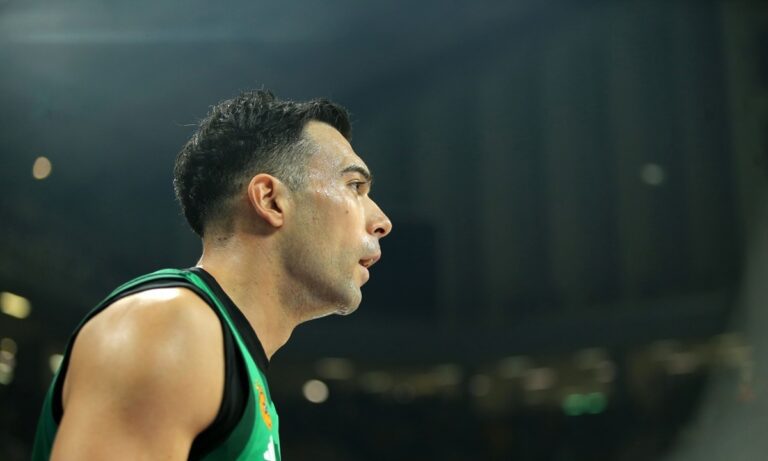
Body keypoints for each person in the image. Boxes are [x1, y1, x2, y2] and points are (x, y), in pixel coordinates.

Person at [31, 90, 393, 460]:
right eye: (355, 187)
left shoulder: (231, 360)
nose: (382, 221)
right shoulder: (171, 327)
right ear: (270, 200)